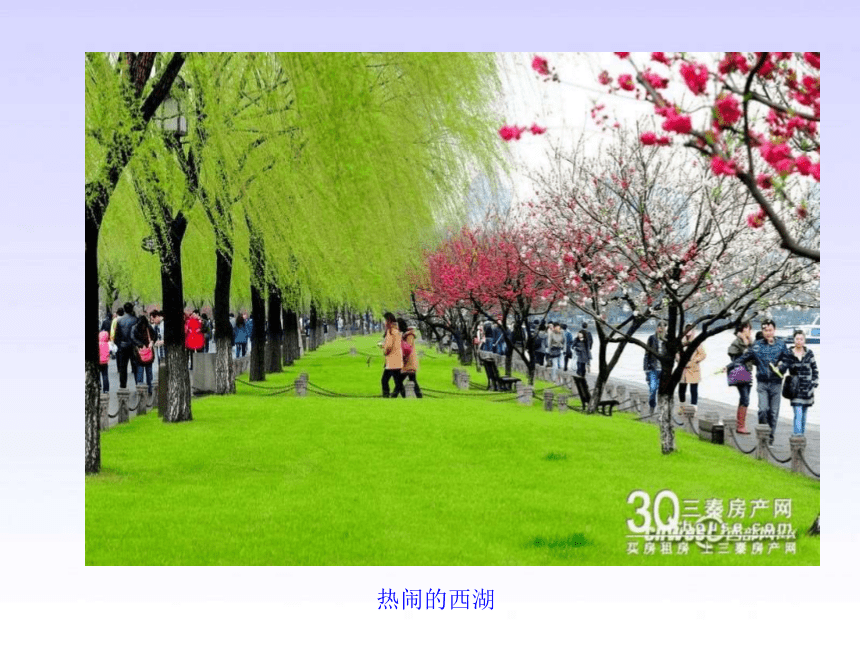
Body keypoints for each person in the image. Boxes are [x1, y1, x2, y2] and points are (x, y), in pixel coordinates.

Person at [730, 318, 793, 445]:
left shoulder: (781, 344)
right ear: (762, 331)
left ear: (774, 330)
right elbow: (744, 357)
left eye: (770, 330)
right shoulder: (757, 345)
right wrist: (731, 365)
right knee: (763, 409)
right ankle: (763, 433)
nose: (768, 332)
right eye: (765, 330)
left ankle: (770, 436)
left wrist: (780, 368)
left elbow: (787, 360)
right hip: (762, 383)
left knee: (774, 412)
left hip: (776, 382)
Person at [779, 330, 819, 436]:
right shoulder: (789, 353)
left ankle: (801, 437)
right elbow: (783, 367)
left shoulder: (809, 353)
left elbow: (815, 369)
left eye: (801, 339)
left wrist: (814, 383)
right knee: (798, 412)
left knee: (804, 414)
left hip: (807, 389)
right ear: (794, 340)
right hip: (795, 388)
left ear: (804, 340)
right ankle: (797, 437)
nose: (799, 341)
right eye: (797, 339)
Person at [727, 321, 755, 434]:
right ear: (743, 329)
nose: (750, 331)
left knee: (745, 397)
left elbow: (753, 357)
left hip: (748, 372)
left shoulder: (750, 342)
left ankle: (740, 423)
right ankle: (740, 425)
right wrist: (744, 345)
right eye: (748, 328)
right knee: (745, 398)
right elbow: (732, 354)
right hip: (740, 372)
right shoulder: (737, 342)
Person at [677, 324, 706, 410]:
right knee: (682, 388)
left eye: (690, 330)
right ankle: (682, 406)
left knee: (693, 389)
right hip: (683, 368)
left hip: (693, 368)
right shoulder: (681, 341)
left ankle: (694, 407)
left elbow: (702, 354)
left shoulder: (696, 342)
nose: (688, 332)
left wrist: (694, 361)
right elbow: (677, 352)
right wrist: (679, 359)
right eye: (687, 330)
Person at [114, 302, 139, 389]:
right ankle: (138, 383)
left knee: (123, 367)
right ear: (132, 309)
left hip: (123, 346)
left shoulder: (119, 320)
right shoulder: (136, 319)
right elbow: (138, 334)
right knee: (135, 366)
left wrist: (119, 345)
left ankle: (123, 385)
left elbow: (116, 336)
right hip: (133, 346)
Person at [643, 322, 666, 415]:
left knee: (662, 391)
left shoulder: (667, 340)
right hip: (653, 368)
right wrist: (646, 368)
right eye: (659, 326)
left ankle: (662, 409)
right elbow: (646, 354)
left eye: (663, 327)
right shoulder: (652, 338)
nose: (660, 329)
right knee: (652, 389)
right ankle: (652, 406)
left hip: (664, 370)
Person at [380, 312, 404, 398]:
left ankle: (386, 396)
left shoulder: (390, 331)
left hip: (392, 361)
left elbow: (389, 346)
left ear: (388, 320)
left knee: (385, 380)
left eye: (385, 320)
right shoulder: (397, 330)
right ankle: (403, 396)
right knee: (397, 381)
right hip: (397, 359)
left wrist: (384, 350)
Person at [132, 314, 156, 395]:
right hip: (148, 352)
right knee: (149, 372)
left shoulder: (136, 328)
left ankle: (140, 390)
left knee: (140, 372)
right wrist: (151, 342)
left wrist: (140, 345)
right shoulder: (148, 327)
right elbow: (154, 335)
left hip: (140, 353)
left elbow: (133, 338)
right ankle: (149, 389)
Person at [399, 319, 423, 398]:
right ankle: (418, 396)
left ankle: (399, 395)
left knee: (399, 380)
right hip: (409, 361)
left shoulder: (409, 335)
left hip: (409, 361)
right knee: (412, 379)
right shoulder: (405, 335)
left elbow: (407, 348)